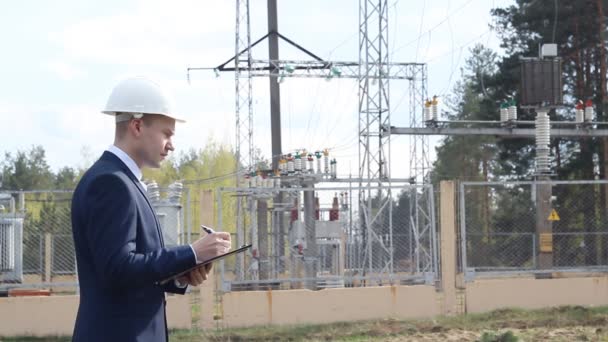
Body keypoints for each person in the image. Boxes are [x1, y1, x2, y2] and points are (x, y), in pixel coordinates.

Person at [71, 77, 231, 342]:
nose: (172, 144)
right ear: (136, 126)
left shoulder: (123, 181)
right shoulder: (111, 183)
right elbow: (117, 269)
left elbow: (132, 269)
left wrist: (180, 275)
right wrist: (192, 252)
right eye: (166, 133)